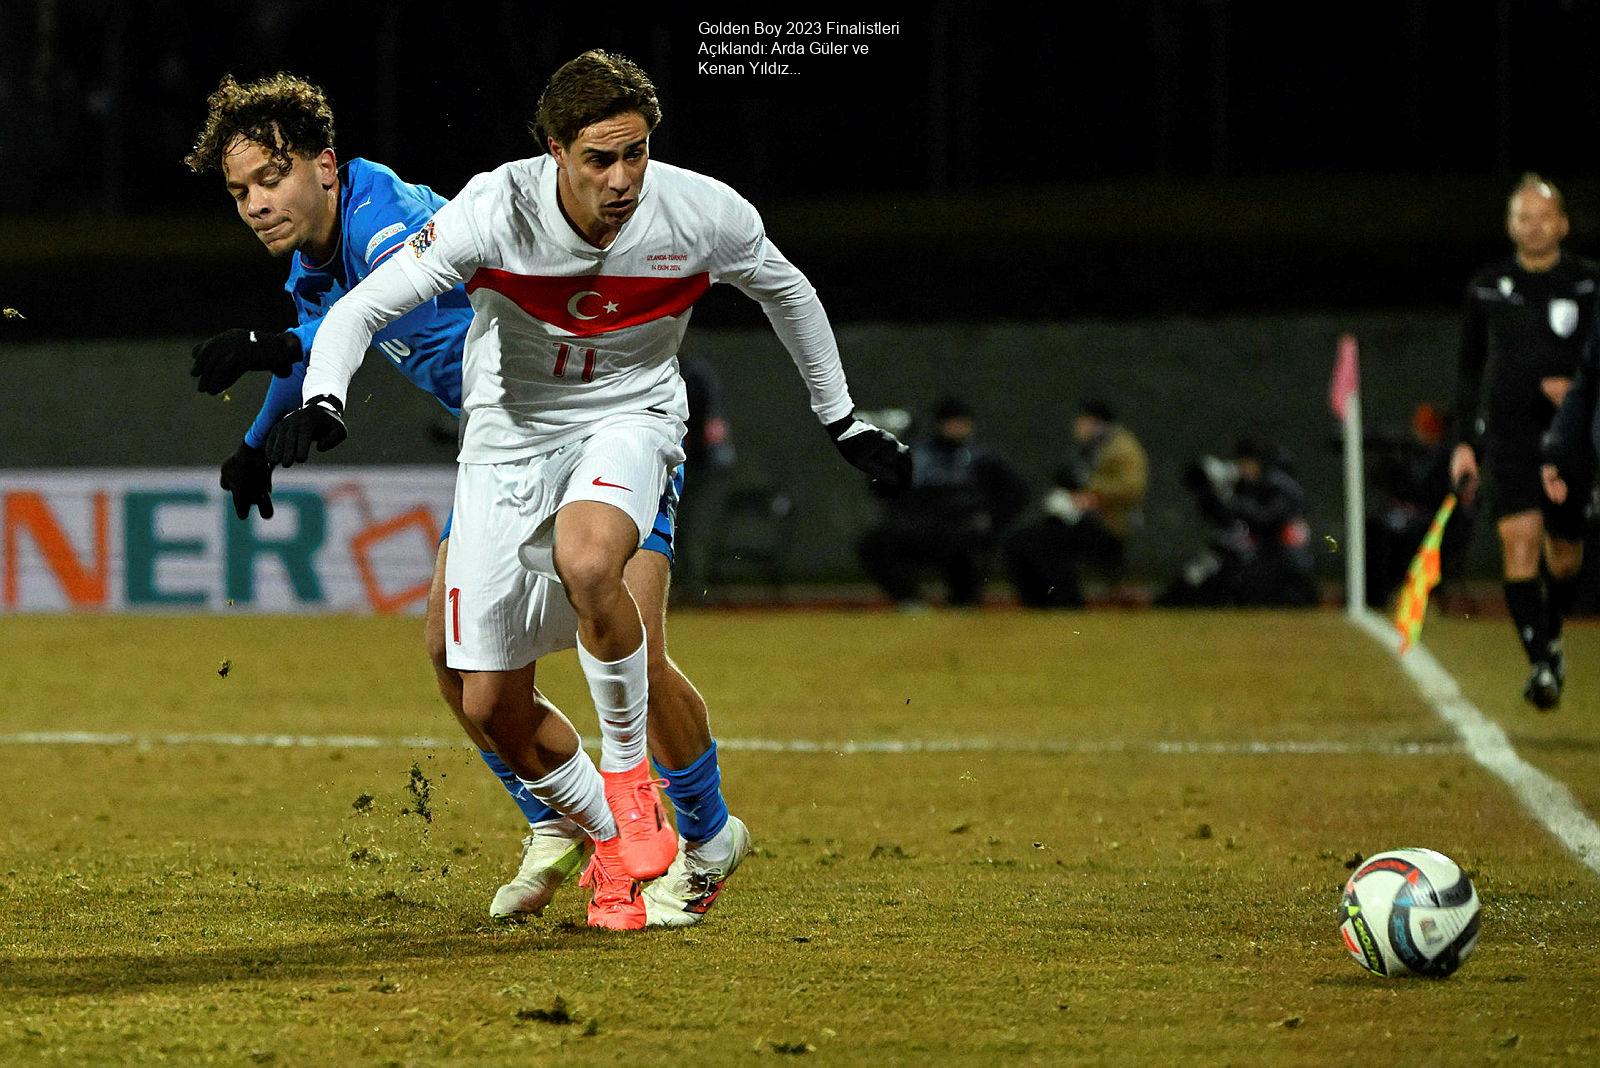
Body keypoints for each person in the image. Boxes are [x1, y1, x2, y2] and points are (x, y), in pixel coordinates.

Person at [262, 51, 911, 929]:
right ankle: (631, 834)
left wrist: (842, 418)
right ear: (555, 150)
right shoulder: (496, 209)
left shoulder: (701, 212)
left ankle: (644, 809)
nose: (621, 179)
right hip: (511, 436)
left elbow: (787, 290)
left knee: (594, 570)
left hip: (632, 418)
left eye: (636, 154)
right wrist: (324, 396)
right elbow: (359, 310)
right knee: (485, 694)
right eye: (598, 159)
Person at [182, 72, 748, 929]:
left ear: (326, 166)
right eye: (240, 192)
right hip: (507, 453)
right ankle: (563, 822)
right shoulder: (316, 257)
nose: (257, 204)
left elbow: (379, 303)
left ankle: (706, 841)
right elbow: (322, 340)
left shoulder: (385, 218)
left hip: (601, 419)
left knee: (636, 649)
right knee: (460, 668)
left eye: (272, 178)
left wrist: (271, 344)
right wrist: (256, 446)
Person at [1450, 173, 1600, 710]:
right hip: (1511, 436)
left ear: (1562, 223)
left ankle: (1551, 636)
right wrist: (1464, 441)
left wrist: (1581, 393)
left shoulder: (1588, 284)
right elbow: (1469, 370)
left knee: (1562, 558)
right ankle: (1541, 664)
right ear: (1511, 226)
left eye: (1544, 217)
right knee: (1518, 546)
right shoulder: (1488, 285)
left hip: (1569, 441)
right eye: (1523, 218)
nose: (1534, 228)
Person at [857, 397, 1027, 608]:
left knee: (965, 551)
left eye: (961, 422)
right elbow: (883, 490)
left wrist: (991, 520)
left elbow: (1015, 494)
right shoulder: (917, 455)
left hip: (963, 531)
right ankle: (910, 602)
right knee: (874, 544)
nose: (957, 428)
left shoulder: (981, 459)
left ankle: (964, 603)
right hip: (920, 531)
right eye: (951, 422)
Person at [1003, 400, 1147, 608]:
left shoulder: (1122, 448)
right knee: (1019, 541)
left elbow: (1133, 487)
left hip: (1108, 526)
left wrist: (1089, 491)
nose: (1077, 426)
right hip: (1083, 521)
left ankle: (1068, 603)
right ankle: (1037, 605)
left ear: (1096, 423)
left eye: (1082, 421)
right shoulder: (1094, 448)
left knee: (1045, 544)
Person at [1158, 439, 1317, 608]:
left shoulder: (1280, 487)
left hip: (1280, 560)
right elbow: (1227, 522)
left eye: (1247, 462)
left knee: (1250, 586)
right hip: (1252, 556)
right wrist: (1211, 497)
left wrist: (1231, 502)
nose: (1242, 468)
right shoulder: (1246, 485)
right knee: (1200, 575)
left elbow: (1264, 520)